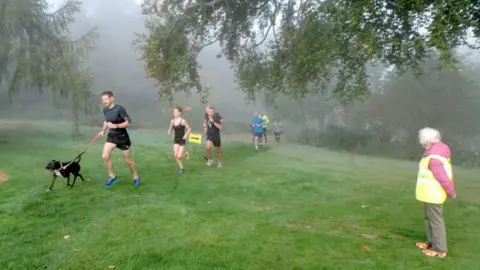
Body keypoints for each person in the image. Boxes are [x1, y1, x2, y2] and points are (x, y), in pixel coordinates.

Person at [415, 127, 455, 258]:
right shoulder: (435, 153)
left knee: (435, 220)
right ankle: (431, 242)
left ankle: (440, 249)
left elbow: (443, 177)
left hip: (434, 194)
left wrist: (451, 192)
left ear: (427, 141)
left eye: (423, 142)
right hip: (429, 193)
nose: (423, 145)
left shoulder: (434, 157)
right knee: (429, 218)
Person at [98, 90, 140, 188]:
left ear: (112, 98)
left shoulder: (119, 109)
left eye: (106, 99)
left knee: (128, 160)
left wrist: (116, 125)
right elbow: (106, 121)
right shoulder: (105, 110)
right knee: (105, 156)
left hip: (122, 138)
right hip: (111, 137)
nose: (104, 101)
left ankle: (136, 176)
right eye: (103, 100)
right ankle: (112, 177)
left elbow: (128, 123)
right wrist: (103, 130)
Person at [168, 106, 192, 174]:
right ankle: (181, 168)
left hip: (182, 140)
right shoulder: (172, 121)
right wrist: (169, 131)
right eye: (174, 112)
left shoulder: (183, 121)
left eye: (176, 112)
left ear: (179, 113)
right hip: (176, 140)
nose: (174, 113)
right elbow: (170, 128)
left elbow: (189, 129)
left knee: (178, 156)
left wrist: (186, 135)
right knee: (176, 155)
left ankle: (186, 154)